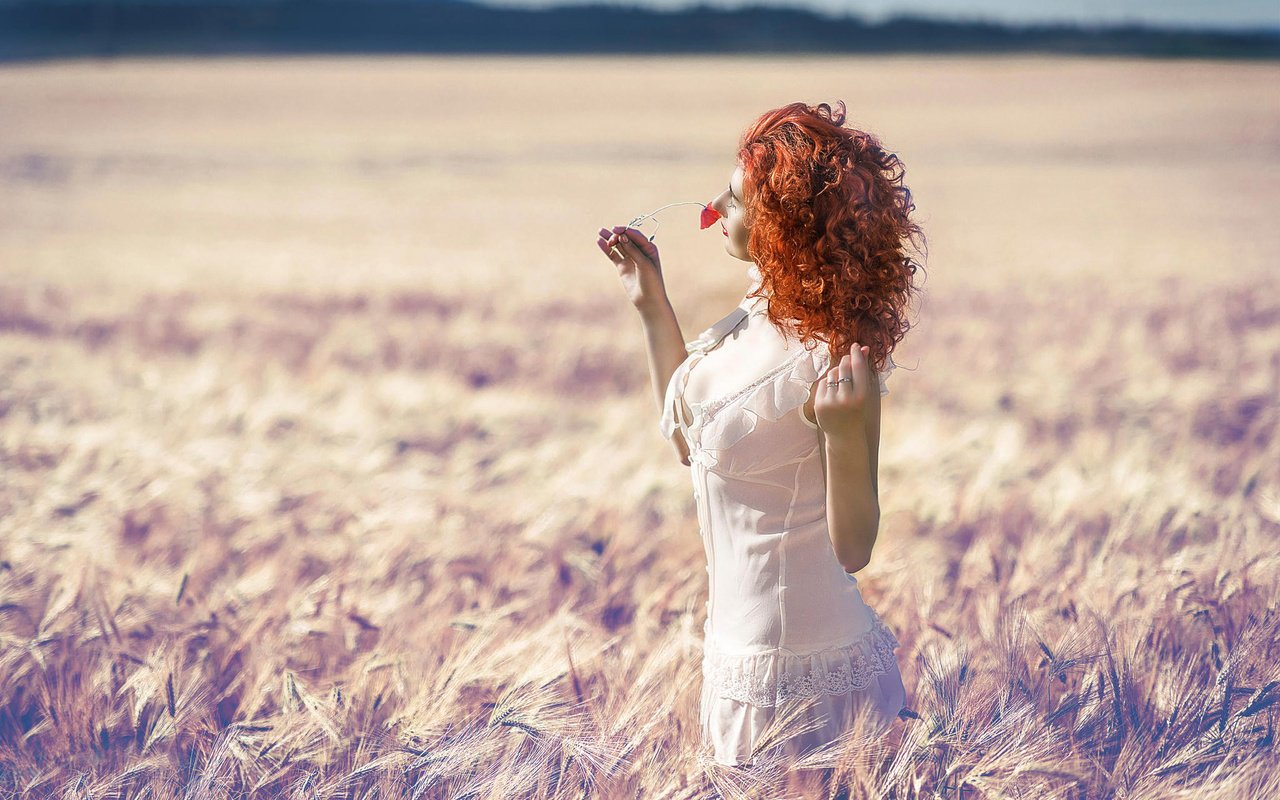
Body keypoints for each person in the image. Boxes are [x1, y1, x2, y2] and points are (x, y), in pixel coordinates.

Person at [595, 100, 925, 768]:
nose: (713, 209)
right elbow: (690, 439)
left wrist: (840, 433)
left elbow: (856, 547)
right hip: (733, 664)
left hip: (807, 679)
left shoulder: (833, 356)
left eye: (736, 199)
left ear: (784, 223)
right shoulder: (747, 318)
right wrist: (651, 304)